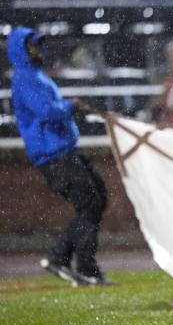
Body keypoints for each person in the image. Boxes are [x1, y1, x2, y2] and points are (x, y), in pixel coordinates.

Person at [7, 27, 113, 287]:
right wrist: (70, 106)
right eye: (33, 46)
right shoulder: (25, 78)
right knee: (90, 203)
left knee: (97, 197)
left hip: (62, 151)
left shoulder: (33, 76)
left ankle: (61, 257)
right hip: (54, 155)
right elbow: (47, 112)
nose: (39, 50)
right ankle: (82, 267)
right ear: (22, 49)